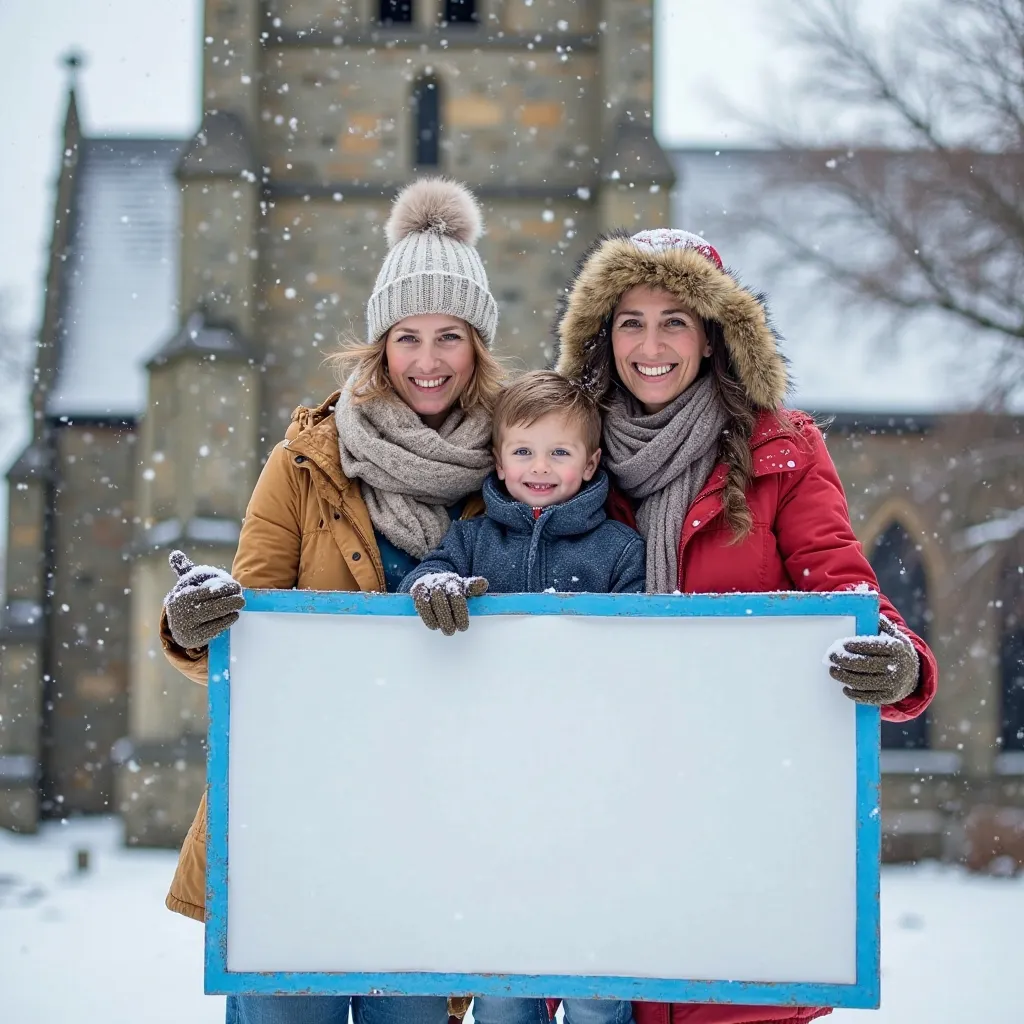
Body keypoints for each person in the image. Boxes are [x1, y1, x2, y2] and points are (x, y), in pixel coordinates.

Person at [159, 177, 543, 1024]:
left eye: (450, 336)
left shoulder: (509, 481)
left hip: (433, 827)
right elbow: (243, 632)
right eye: (408, 336)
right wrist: (194, 629)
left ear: (479, 346)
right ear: (379, 344)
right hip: (298, 816)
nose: (429, 360)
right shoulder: (304, 464)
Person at [552, 227, 939, 1024]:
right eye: (630, 321)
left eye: (675, 320)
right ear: (603, 336)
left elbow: (847, 590)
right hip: (597, 837)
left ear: (713, 336)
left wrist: (899, 664)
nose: (650, 344)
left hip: (740, 837)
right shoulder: (564, 460)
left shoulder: (781, 453)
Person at [400, 370, 646, 636]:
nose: (540, 467)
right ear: (500, 464)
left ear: (589, 465)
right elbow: (420, 580)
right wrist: (433, 584)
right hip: (485, 673)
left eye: (560, 452)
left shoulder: (619, 548)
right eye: (523, 452)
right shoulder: (470, 539)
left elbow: (635, 633)